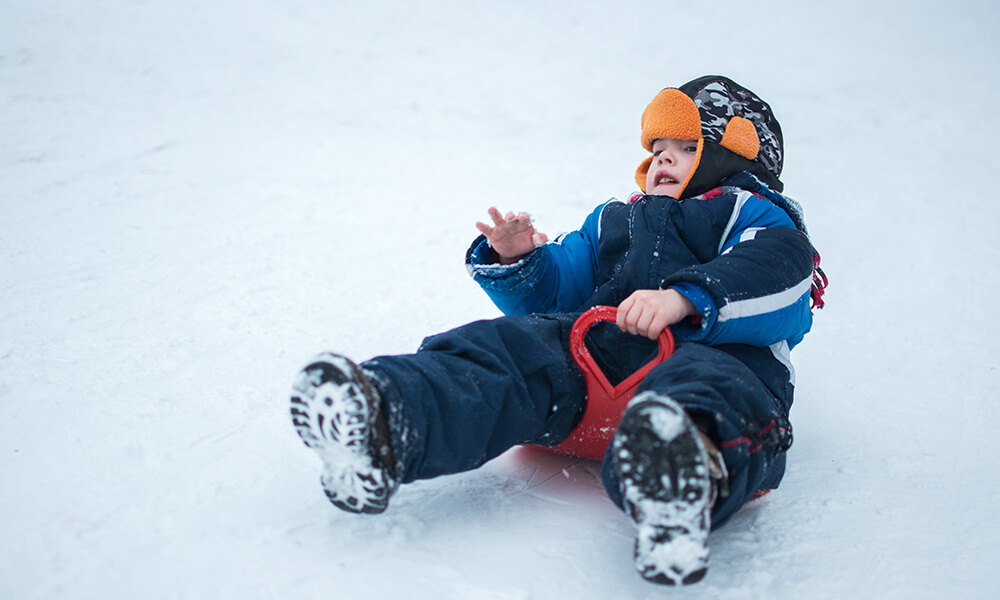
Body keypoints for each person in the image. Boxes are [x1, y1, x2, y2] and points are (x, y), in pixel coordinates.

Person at [289, 75, 826, 586]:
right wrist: (523, 262)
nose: (662, 156)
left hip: (704, 363)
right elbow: (558, 291)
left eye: (685, 146)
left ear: (733, 154)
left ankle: (679, 479)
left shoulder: (756, 216)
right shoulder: (617, 220)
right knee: (514, 348)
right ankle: (388, 419)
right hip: (595, 367)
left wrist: (686, 299)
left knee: (716, 389)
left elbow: (777, 274)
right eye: (658, 145)